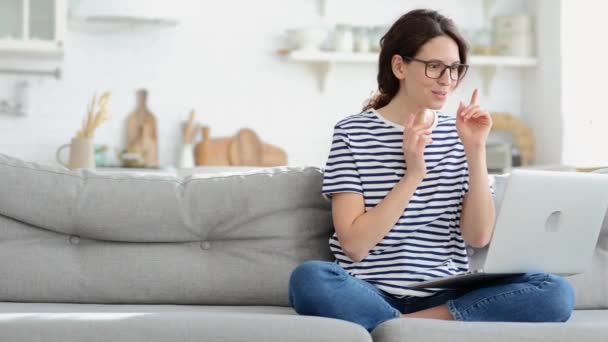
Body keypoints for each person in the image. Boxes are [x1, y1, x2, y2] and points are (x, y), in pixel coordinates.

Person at [288, 9, 574, 332]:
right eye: (435, 66)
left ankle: (403, 326)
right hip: (368, 289)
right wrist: (412, 176)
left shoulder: (461, 134)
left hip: (443, 295)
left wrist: (476, 149)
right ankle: (420, 327)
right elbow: (354, 245)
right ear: (400, 66)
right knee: (309, 279)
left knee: (556, 292)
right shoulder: (352, 133)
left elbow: (478, 236)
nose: (447, 80)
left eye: (454, 69)